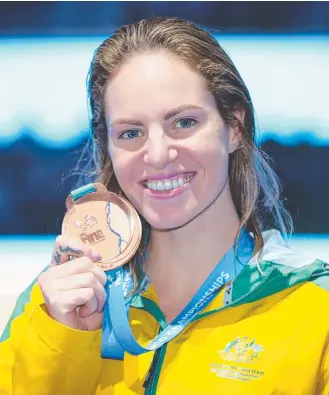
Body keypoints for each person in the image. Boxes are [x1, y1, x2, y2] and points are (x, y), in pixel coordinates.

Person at [0, 16, 328, 395]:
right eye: (131, 132)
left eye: (184, 122)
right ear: (107, 145)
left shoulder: (313, 307)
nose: (157, 154)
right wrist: (61, 340)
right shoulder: (57, 300)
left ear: (234, 128)